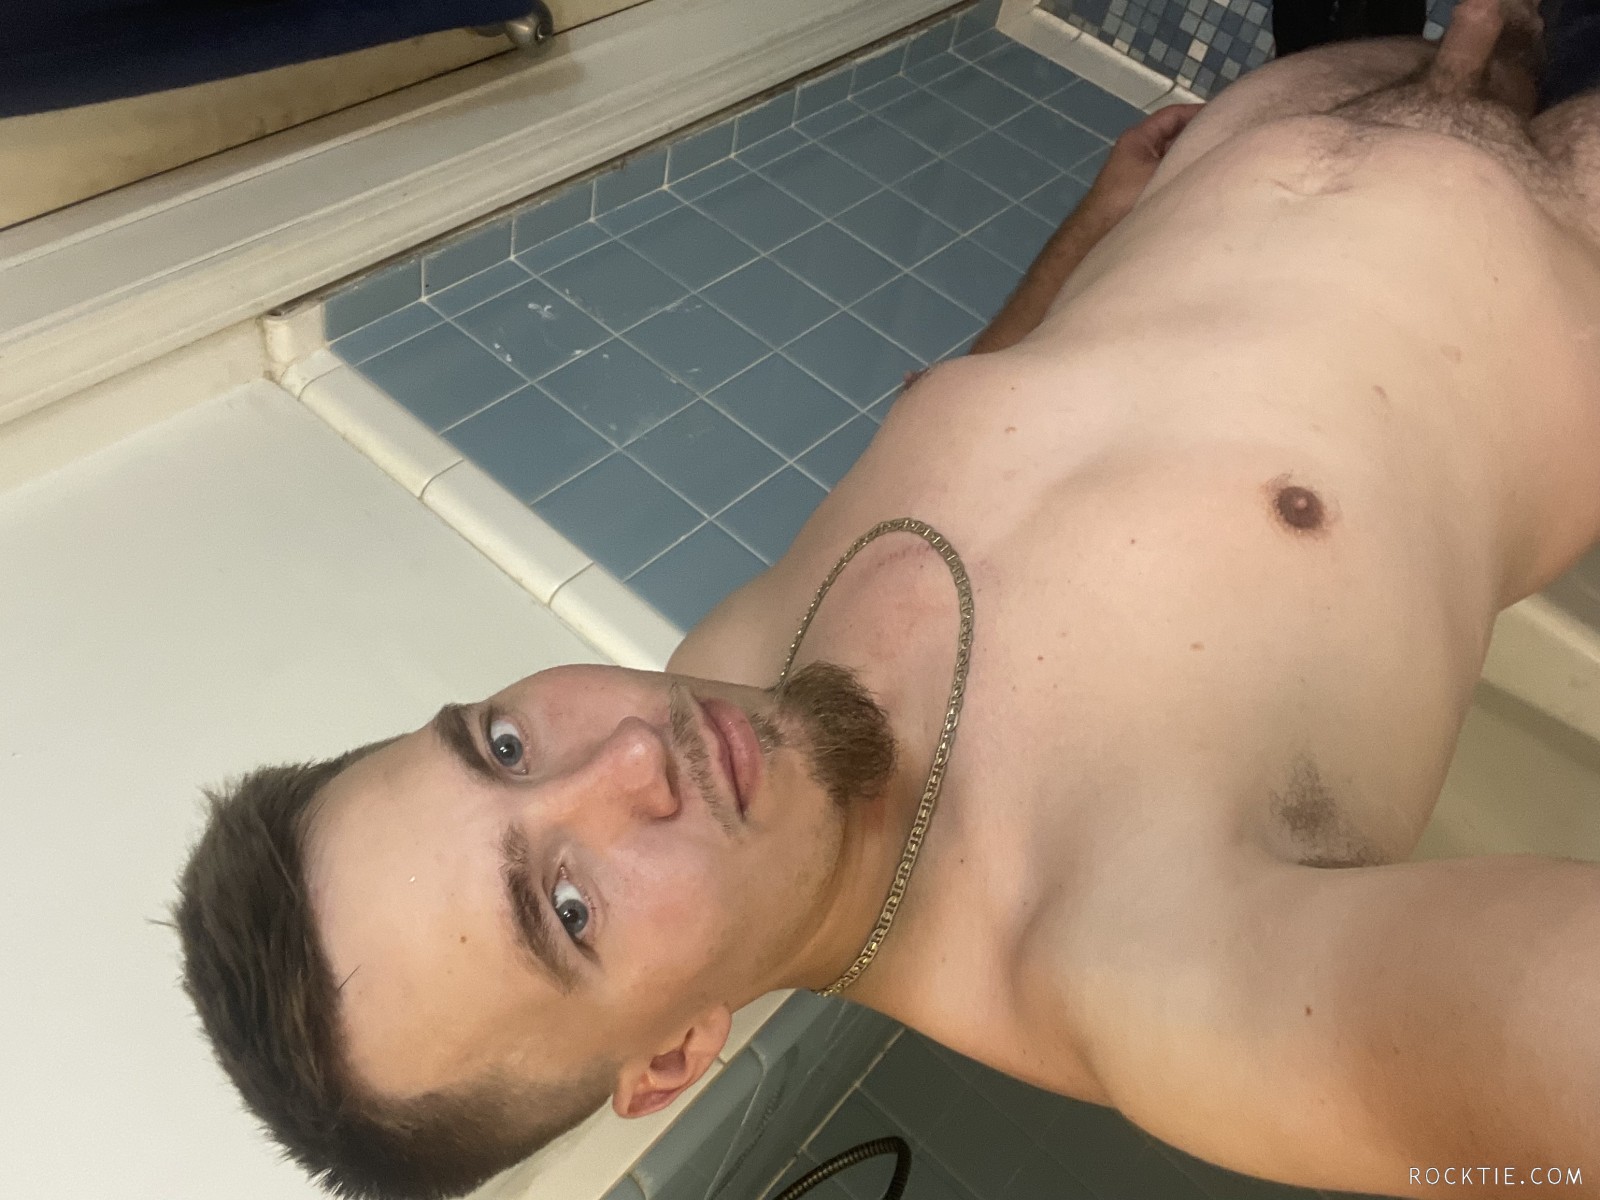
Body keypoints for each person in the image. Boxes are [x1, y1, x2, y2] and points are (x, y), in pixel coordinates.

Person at [174, 2, 1600, 1197]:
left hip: (1325, 88)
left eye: (499, 745)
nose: (625, 759)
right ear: (671, 1058)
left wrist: (1099, 222)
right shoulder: (1130, 965)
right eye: (568, 905)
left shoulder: (739, 667)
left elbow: (953, 408)